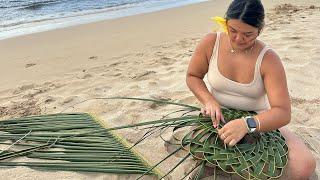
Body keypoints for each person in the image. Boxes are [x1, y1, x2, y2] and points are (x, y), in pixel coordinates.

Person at [186, 0, 316, 179]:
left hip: (258, 120)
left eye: (248, 34)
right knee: (206, 155)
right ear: (225, 23)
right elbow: (193, 76)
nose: (239, 39)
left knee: (304, 166)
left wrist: (247, 124)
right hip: (218, 117)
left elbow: (283, 112)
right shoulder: (211, 42)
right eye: (232, 30)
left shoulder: (269, 59)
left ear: (259, 30)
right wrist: (208, 100)